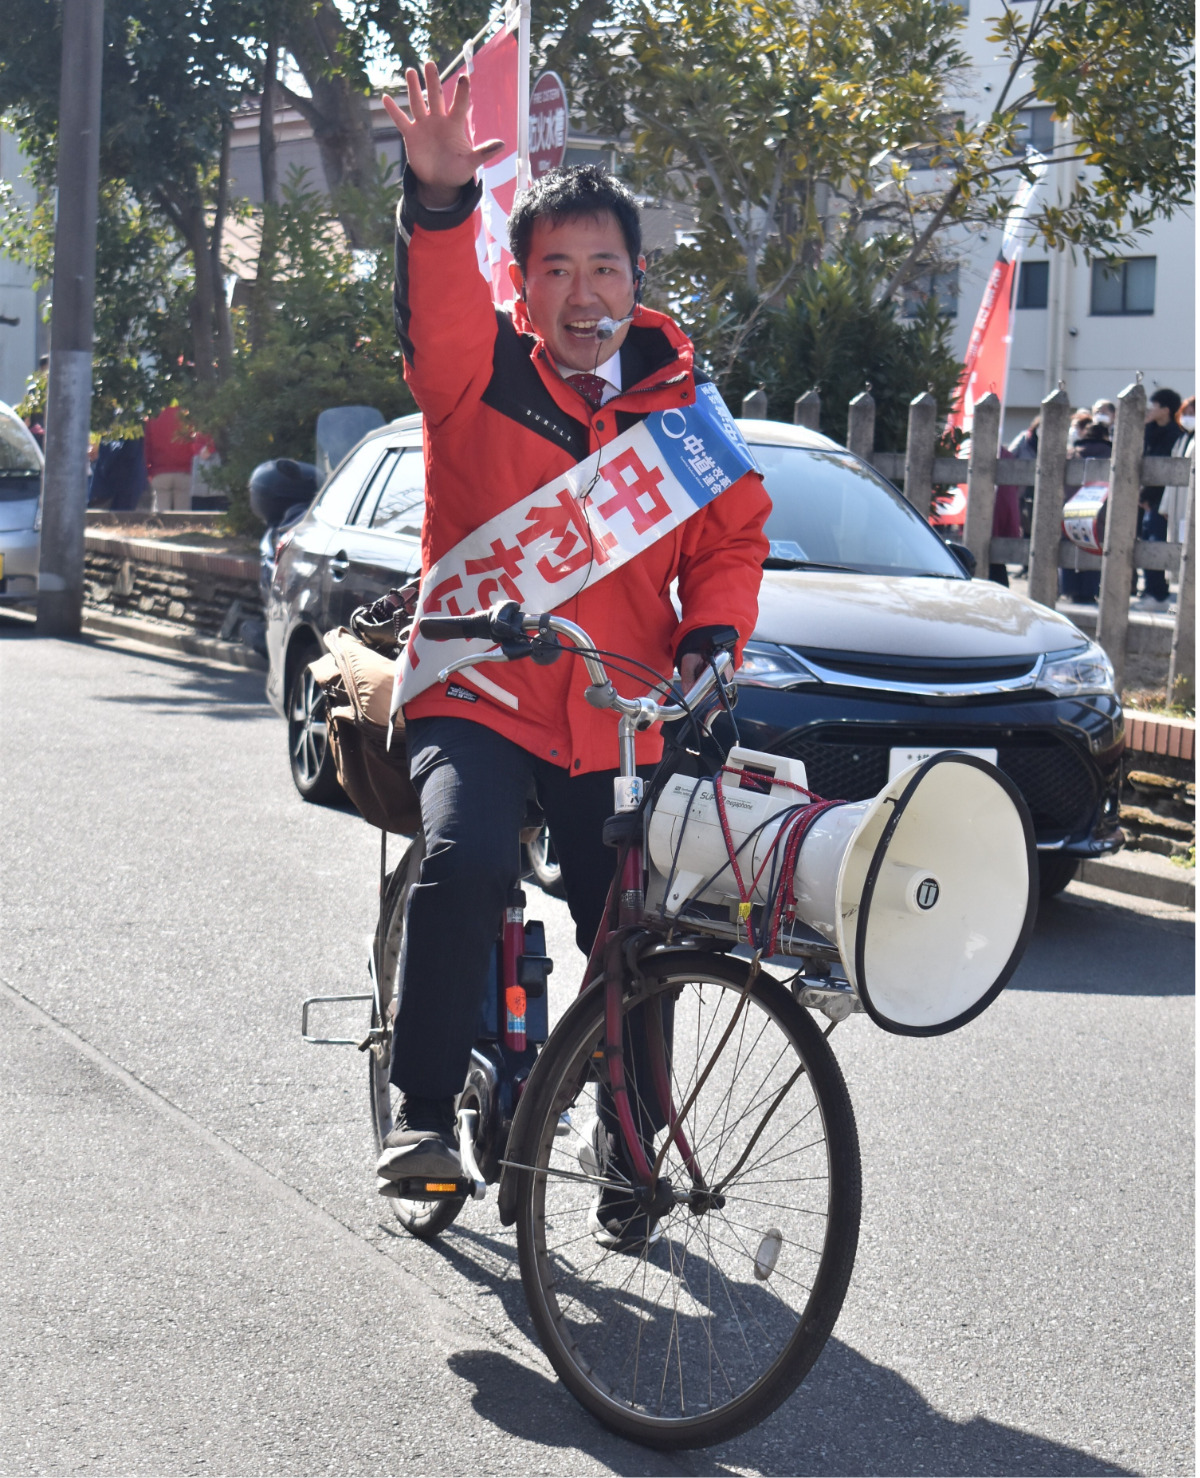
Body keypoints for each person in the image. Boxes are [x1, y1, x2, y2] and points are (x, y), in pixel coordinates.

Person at [373, 63, 771, 1248]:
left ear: (638, 278)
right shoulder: (476, 370)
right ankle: (425, 1109)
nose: (582, 291)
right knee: (468, 850)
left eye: (604, 266)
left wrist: (712, 636)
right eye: (555, 269)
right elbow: (437, 306)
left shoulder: (683, 413)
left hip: (616, 708)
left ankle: (629, 1139)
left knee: (634, 921)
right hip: (477, 688)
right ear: (523, 283)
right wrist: (440, 200)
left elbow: (730, 540)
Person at [1135, 387, 1182, 609]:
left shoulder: (1176, 434)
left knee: (1156, 543)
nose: (1150, 410)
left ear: (1166, 409)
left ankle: (1158, 594)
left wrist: (1146, 496)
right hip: (1143, 497)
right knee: (1143, 543)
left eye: (1154, 405)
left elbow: (1166, 470)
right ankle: (1150, 591)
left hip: (1163, 500)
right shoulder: (1147, 430)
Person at [1060, 416, 1111, 603]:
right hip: (1102, 511)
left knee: (1071, 543)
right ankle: (1089, 591)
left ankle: (1069, 588)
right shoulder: (1111, 454)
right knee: (1095, 545)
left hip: (1071, 508)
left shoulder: (1072, 453)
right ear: (1106, 436)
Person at [143, 403, 212, 513]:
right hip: (184, 471)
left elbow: (147, 446)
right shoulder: (186, 414)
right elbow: (197, 440)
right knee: (182, 515)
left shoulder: (154, 415)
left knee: (161, 513)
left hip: (160, 472)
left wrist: (149, 471)